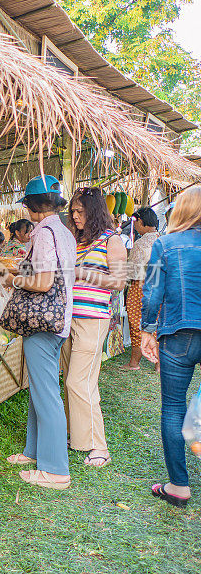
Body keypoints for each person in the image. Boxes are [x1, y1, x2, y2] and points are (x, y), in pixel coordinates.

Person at [3, 175, 76, 489]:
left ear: (33, 204)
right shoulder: (63, 231)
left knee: (47, 395)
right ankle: (34, 451)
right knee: (40, 389)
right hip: (58, 321)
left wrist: (11, 280)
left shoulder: (44, 233)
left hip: (43, 323)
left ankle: (56, 469)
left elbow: (44, 282)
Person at [141, 187, 201, 507]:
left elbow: (152, 293)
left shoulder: (165, 244)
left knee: (173, 408)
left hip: (177, 334)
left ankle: (179, 486)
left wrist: (147, 332)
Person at [61, 186, 127, 468]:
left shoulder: (112, 240)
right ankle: (74, 435)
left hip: (92, 318)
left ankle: (99, 446)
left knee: (81, 382)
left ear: (95, 211)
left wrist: (82, 273)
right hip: (65, 317)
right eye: (72, 211)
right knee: (69, 379)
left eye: (80, 211)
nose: (74, 215)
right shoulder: (77, 240)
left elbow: (119, 281)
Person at [124, 207, 160, 371]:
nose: (135, 226)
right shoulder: (163, 240)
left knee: (136, 323)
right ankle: (160, 365)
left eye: (135, 222)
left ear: (140, 221)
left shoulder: (141, 243)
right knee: (159, 325)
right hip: (160, 288)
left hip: (140, 287)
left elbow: (133, 272)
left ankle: (134, 363)